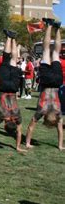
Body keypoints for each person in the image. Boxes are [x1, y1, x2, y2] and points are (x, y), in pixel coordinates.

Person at [25, 18, 63, 150]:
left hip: (56, 82)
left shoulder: (57, 113)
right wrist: (28, 142)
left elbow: (31, 126)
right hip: (47, 82)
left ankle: (56, 28)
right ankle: (49, 26)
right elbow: (30, 127)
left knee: (55, 53)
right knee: (47, 50)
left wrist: (60, 145)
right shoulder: (44, 111)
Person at [0, 30, 24, 151]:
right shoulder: (0, 117)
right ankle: (9, 38)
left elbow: (19, 132)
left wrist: (18, 146)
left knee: (13, 60)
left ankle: (12, 38)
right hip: (3, 87)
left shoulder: (18, 117)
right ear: (5, 125)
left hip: (13, 88)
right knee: (6, 58)